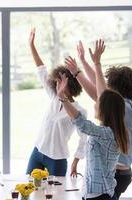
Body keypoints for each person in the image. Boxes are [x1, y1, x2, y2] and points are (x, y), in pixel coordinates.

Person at [67, 40, 132, 198]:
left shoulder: (128, 108)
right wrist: (82, 65)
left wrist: (96, 64)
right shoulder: (123, 104)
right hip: (116, 173)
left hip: (118, 174)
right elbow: (99, 91)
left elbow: (100, 94)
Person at [26, 28, 87, 177]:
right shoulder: (54, 97)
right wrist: (32, 46)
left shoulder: (79, 111)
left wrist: (75, 161)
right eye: (56, 81)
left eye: (60, 81)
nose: (56, 83)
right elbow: (42, 71)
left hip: (57, 159)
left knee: (56, 195)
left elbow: (84, 137)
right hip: (38, 151)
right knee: (28, 188)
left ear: (71, 84)